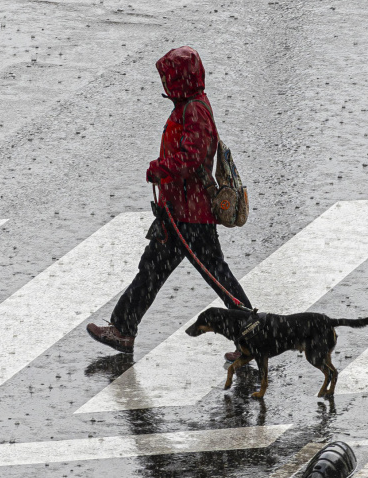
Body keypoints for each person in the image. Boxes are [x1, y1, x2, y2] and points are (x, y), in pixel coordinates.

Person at [86, 46, 251, 362]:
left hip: (189, 215)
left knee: (213, 275)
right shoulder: (190, 105)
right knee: (157, 270)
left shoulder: (194, 111)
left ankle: (252, 332)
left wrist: (161, 168)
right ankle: (123, 328)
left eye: (168, 79)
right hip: (179, 212)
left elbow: (193, 156)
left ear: (180, 80)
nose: (164, 84)